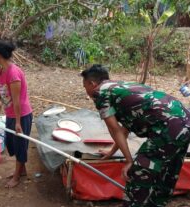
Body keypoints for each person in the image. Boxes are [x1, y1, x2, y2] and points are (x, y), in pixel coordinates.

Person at [81, 64, 190, 207]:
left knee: (138, 175)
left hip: (167, 127)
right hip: (185, 119)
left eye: (85, 87)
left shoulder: (99, 93)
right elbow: (126, 127)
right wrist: (112, 151)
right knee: (167, 173)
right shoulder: (122, 86)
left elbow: (115, 130)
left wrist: (128, 161)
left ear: (92, 83)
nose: (86, 91)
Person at [0, 39, 33, 188]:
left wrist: (18, 122)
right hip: (12, 115)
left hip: (21, 115)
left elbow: (17, 101)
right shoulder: (1, 72)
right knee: (12, 143)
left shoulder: (13, 73)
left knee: (20, 145)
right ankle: (22, 170)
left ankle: (17, 176)